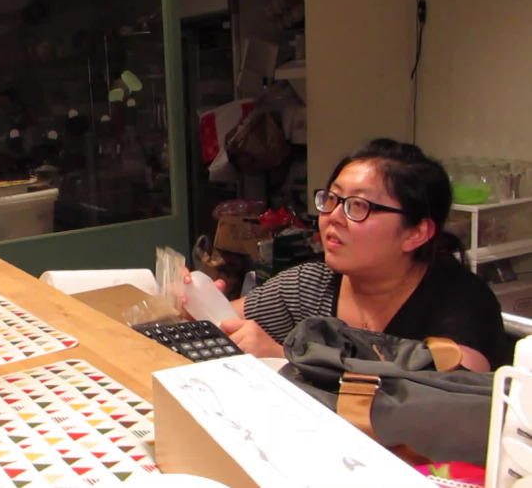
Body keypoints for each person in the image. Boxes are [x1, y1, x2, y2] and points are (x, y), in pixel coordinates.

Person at [189, 138, 508, 372]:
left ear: (416, 233)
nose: (333, 217)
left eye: (358, 206)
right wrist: (195, 299)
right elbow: (225, 321)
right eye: (332, 199)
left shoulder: (462, 304)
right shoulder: (311, 285)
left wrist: (285, 359)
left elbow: (440, 402)